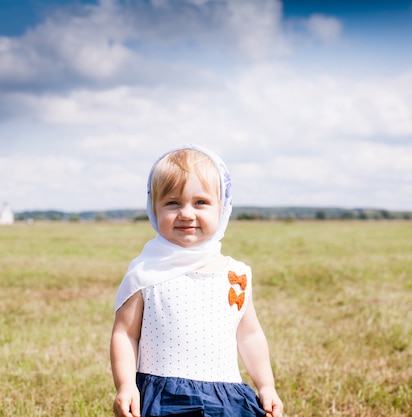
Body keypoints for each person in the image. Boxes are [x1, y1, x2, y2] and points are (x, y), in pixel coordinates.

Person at [110, 144, 283, 417]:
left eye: (200, 202)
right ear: (153, 208)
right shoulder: (146, 273)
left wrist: (266, 385)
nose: (187, 213)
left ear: (222, 207)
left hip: (226, 397)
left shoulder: (234, 274)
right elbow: (125, 334)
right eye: (172, 203)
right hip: (164, 396)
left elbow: (249, 335)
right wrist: (126, 385)